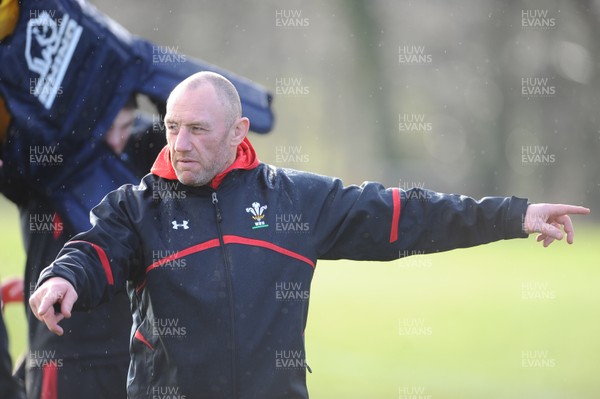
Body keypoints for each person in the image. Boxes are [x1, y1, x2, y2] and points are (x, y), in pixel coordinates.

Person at [29, 72, 590, 399]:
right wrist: (63, 276)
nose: (180, 143)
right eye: (174, 128)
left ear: (238, 131)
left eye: (198, 130)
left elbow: (409, 214)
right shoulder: (139, 206)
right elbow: (95, 247)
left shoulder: (295, 200)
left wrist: (514, 215)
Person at [9, 98, 165, 399]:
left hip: (129, 351)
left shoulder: (138, 159)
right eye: (109, 128)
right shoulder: (44, 168)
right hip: (63, 355)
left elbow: (179, 124)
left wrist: (133, 74)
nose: (118, 139)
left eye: (127, 126)